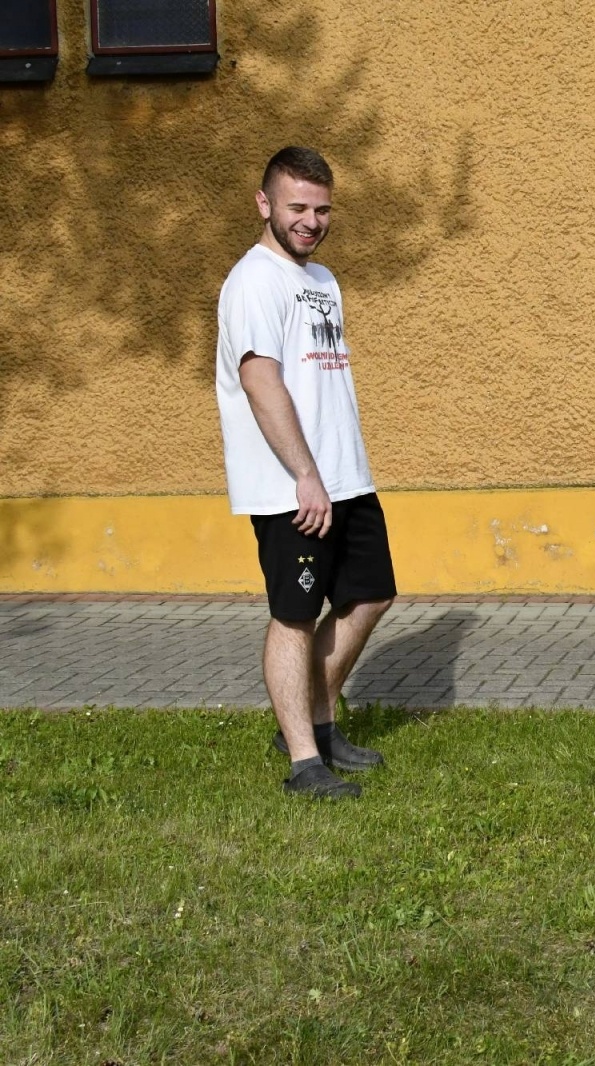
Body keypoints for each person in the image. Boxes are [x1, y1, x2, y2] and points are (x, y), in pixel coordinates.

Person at [215, 147, 396, 800]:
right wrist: (305, 475)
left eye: (321, 209)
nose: (311, 221)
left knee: (371, 594)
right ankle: (302, 762)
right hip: (292, 485)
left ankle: (318, 721)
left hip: (344, 473)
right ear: (264, 204)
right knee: (294, 614)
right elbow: (260, 382)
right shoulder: (254, 282)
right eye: (297, 207)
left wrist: (335, 470)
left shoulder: (321, 279)